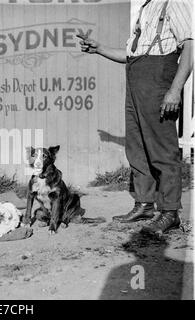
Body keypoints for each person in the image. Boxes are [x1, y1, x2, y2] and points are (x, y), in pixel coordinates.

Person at [79, 0, 193, 236]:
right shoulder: (145, 7)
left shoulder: (174, 2)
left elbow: (190, 48)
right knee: (137, 146)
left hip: (158, 77)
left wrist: (174, 90)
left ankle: (170, 212)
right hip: (136, 78)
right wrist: (99, 48)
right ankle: (144, 204)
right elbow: (132, 55)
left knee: (162, 148)